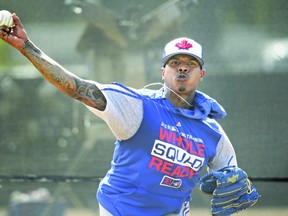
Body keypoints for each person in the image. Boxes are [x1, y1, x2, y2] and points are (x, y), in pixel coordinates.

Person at [1, 14, 238, 216]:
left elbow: (229, 183)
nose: (183, 67)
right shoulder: (136, 106)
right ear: (163, 71)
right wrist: (26, 46)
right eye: (175, 62)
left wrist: (228, 188)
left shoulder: (213, 133)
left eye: (191, 63)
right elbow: (75, 87)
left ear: (202, 73)